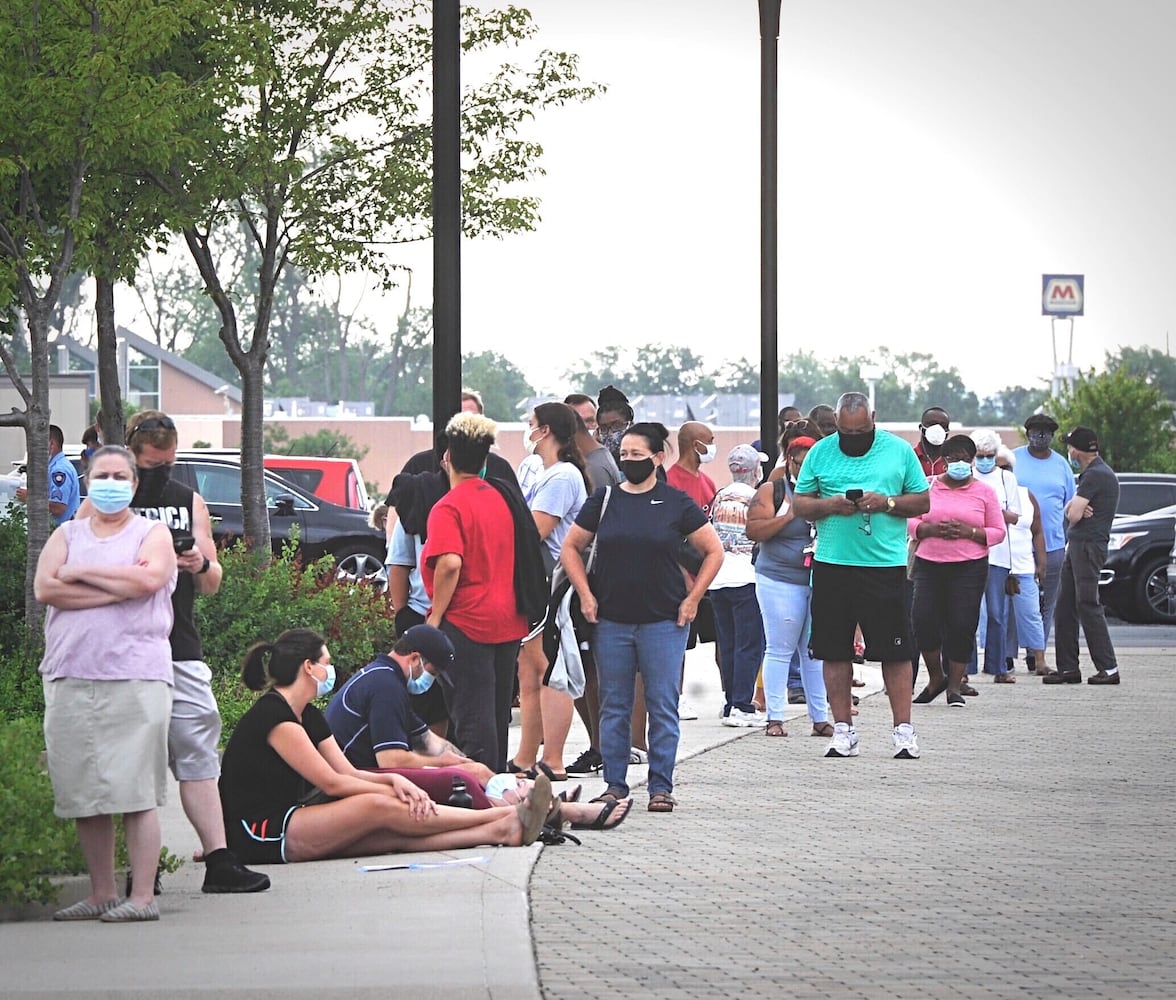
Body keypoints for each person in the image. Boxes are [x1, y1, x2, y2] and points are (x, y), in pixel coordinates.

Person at [75, 410, 270, 894]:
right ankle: (140, 870)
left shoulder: (188, 501)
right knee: (133, 761)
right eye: (152, 464)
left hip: (179, 646)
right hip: (123, 648)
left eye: (169, 463)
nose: (162, 472)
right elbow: (75, 557)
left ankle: (221, 859)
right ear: (133, 457)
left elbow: (212, 582)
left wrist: (198, 561)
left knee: (199, 752)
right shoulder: (108, 500)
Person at [218, 629, 553, 864]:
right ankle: (507, 813)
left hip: (292, 819)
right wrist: (393, 781)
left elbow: (347, 771)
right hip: (261, 831)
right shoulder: (276, 717)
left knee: (393, 836)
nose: (330, 670)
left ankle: (504, 829)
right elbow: (331, 782)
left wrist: (396, 780)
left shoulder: (308, 716)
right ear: (309, 667)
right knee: (379, 807)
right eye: (326, 662)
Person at [37, 446, 177, 922]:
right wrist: (116, 583)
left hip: (136, 675)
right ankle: (101, 892)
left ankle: (141, 897)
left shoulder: (151, 533)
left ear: (134, 485)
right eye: (102, 475)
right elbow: (44, 588)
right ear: (87, 480)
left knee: (136, 791)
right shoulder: (66, 533)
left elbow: (150, 580)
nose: (111, 482)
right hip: (69, 673)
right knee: (85, 792)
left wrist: (77, 574)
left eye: (121, 475)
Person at [560, 422, 723, 812]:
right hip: (611, 621)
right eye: (625, 454)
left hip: (664, 621)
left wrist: (693, 600)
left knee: (662, 703)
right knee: (613, 704)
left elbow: (714, 551)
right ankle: (614, 785)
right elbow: (571, 548)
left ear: (657, 457)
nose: (629, 460)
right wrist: (585, 595)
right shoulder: (604, 500)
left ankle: (661, 786)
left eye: (637, 454)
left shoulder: (675, 502)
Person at [791, 392, 930, 759]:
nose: (854, 437)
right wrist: (830, 505)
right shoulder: (821, 452)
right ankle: (843, 730)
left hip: (884, 565)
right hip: (833, 563)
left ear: (874, 419)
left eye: (862, 430)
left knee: (895, 652)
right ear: (836, 424)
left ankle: (903, 730)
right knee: (833, 650)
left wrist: (884, 502)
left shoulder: (898, 451)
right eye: (846, 432)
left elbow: (923, 501)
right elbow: (800, 504)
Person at [422, 413, 528, 771]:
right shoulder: (503, 498)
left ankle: (482, 798)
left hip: (467, 621)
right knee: (497, 713)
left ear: (446, 457)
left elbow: (450, 563)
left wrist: (435, 617)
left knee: (471, 715)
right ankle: (500, 787)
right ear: (485, 460)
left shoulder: (448, 507)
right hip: (508, 619)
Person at [510, 402, 589, 780]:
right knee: (529, 670)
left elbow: (536, 530)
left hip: (552, 582)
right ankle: (526, 757)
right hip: (534, 581)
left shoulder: (562, 477)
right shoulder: (540, 472)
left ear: (547, 430)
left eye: (532, 425)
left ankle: (553, 759)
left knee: (549, 668)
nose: (529, 430)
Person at [908, 435, 1006, 707]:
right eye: (953, 459)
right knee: (923, 620)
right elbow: (911, 520)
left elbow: (998, 531)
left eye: (965, 459)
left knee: (961, 624)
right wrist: (926, 529)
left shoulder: (985, 492)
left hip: (969, 567)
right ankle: (936, 677)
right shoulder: (928, 487)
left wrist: (971, 532)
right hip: (929, 564)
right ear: (945, 462)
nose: (959, 464)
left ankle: (954, 686)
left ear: (972, 461)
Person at [747, 435, 832, 737]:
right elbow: (754, 530)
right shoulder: (774, 490)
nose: (807, 467)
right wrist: (791, 514)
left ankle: (820, 717)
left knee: (815, 651)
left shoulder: (825, 489)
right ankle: (775, 718)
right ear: (789, 460)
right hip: (779, 578)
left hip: (818, 577)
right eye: (801, 461)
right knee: (780, 647)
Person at [562, 393, 621, 775]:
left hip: (591, 577)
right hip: (591, 575)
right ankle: (603, 745)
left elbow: (588, 532)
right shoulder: (598, 461)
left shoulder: (593, 467)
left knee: (587, 667)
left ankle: (602, 746)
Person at [1046, 427, 1121, 685]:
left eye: (1069, 446)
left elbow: (1074, 515)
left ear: (1077, 449)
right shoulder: (1094, 473)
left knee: (1088, 605)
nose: (1068, 451)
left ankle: (1108, 668)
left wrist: (1073, 507)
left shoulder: (1095, 475)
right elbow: (1074, 508)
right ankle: (1068, 668)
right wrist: (1073, 505)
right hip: (1078, 545)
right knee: (1064, 605)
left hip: (1088, 547)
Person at [708, 444, 767, 727]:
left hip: (718, 579)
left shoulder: (720, 496)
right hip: (747, 578)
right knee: (749, 644)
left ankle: (731, 701)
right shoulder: (757, 498)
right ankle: (742, 705)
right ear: (755, 469)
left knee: (729, 645)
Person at [1011, 413, 1075, 665]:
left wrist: (1064, 536)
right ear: (1027, 434)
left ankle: (1036, 652)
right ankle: (1008, 653)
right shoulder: (1013, 458)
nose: (1041, 436)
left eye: (1047, 432)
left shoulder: (1061, 465)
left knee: (1047, 602)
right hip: (1017, 545)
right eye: (1036, 431)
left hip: (1053, 545)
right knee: (1017, 599)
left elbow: (1070, 506)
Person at [970, 429, 1022, 684]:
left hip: (998, 555)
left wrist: (989, 511)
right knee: (966, 613)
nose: (985, 459)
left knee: (997, 613)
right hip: (968, 554)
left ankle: (998, 666)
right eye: (980, 455)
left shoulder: (1005, 479)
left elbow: (1014, 516)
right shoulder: (967, 476)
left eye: (989, 455)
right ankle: (964, 670)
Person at [999, 448, 1050, 677]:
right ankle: (1000, 664)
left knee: (1030, 614)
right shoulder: (984, 492)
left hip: (1023, 566)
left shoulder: (1026, 495)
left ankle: (1040, 660)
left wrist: (1042, 562)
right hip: (994, 566)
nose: (1003, 472)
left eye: (1006, 468)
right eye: (998, 468)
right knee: (996, 617)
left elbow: (1037, 530)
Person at [16, 424, 81, 528]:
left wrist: (30, 498)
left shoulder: (59, 470)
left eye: (40, 443)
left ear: (51, 444)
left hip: (61, 532)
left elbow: (58, 508)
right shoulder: (55, 466)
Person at [594, 385, 634, 467]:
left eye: (617, 426)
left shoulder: (644, 458)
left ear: (630, 425)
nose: (610, 433)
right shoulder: (596, 463)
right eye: (604, 428)